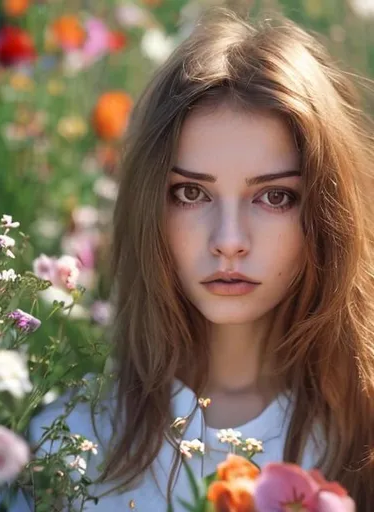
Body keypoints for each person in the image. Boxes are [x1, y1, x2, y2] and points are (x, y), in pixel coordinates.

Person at [20, 7, 374, 511]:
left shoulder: (360, 440)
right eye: (191, 193)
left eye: (274, 197)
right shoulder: (68, 441)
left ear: (327, 211)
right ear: (149, 206)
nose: (229, 241)